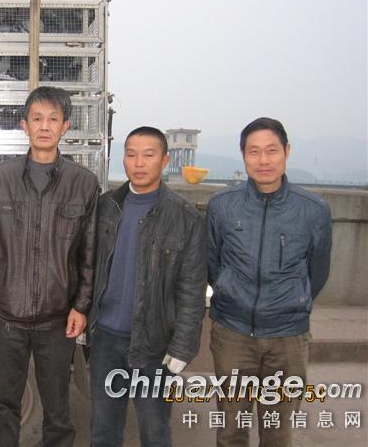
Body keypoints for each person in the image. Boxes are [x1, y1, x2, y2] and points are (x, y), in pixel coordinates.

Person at [0, 86, 100, 447]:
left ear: (65, 127)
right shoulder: (1, 178)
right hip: (6, 316)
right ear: (24, 125)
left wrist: (80, 306)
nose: (45, 126)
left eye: (53, 119)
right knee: (5, 407)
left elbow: (89, 253)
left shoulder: (83, 183)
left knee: (58, 411)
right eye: (37, 118)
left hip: (57, 320)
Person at [207, 117, 332, 447]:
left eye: (272, 150)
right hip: (232, 332)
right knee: (231, 429)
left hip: (288, 336)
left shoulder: (313, 210)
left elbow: (317, 272)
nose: (263, 160)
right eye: (254, 151)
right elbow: (212, 263)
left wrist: (292, 300)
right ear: (243, 155)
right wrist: (230, 291)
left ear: (286, 152)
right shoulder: (222, 205)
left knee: (278, 431)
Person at [88, 126, 208, 447]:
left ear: (165, 160)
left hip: (155, 345)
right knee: (103, 430)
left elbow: (192, 290)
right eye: (131, 154)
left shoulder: (184, 216)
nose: (139, 163)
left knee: (155, 431)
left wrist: (183, 347)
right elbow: (89, 268)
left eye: (148, 155)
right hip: (105, 340)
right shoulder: (106, 207)